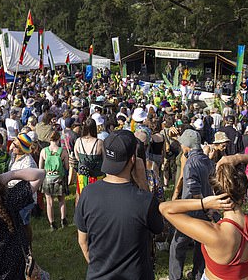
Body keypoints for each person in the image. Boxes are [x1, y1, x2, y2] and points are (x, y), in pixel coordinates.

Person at [160, 153, 248, 280]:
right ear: (244, 191)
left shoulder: (214, 233)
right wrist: (238, 157)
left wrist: (203, 203)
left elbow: (165, 208)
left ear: (214, 193)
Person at [75, 129, 164, 279]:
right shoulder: (144, 200)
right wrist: (142, 181)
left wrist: (99, 269)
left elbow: (82, 241)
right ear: (133, 160)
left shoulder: (87, 193)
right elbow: (158, 228)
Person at [169, 129, 215, 280]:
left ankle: (175, 277)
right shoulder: (208, 160)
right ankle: (197, 274)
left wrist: (202, 204)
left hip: (191, 209)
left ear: (187, 145)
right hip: (206, 209)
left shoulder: (190, 163)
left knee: (178, 244)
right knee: (201, 245)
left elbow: (193, 188)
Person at [39, 130, 69, 230]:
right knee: (62, 200)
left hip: (48, 178)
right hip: (59, 177)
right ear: (58, 139)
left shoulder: (44, 151)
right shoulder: (63, 151)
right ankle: (63, 220)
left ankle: (52, 223)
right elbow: (67, 167)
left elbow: (40, 168)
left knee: (49, 202)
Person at [74, 117, 105, 200]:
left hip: (82, 175)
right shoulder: (99, 142)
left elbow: (77, 157)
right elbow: (104, 159)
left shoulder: (78, 141)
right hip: (97, 176)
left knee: (80, 196)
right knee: (96, 199)